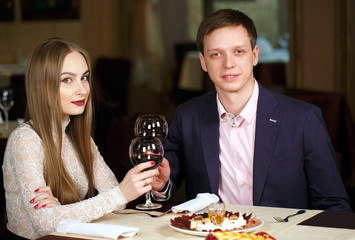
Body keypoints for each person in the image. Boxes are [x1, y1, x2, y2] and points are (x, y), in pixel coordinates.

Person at [162, 9, 353, 212]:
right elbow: (166, 179)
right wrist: (160, 184)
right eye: (216, 54)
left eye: (238, 52)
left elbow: (334, 205)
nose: (228, 64)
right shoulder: (187, 116)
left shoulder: (303, 119)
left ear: (254, 56)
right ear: (203, 62)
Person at [2, 38, 170, 240]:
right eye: (67, 80)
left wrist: (62, 212)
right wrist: (118, 195)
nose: (82, 89)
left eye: (84, 77)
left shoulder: (78, 137)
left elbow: (115, 196)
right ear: (43, 87)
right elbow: (44, 225)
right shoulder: (25, 139)